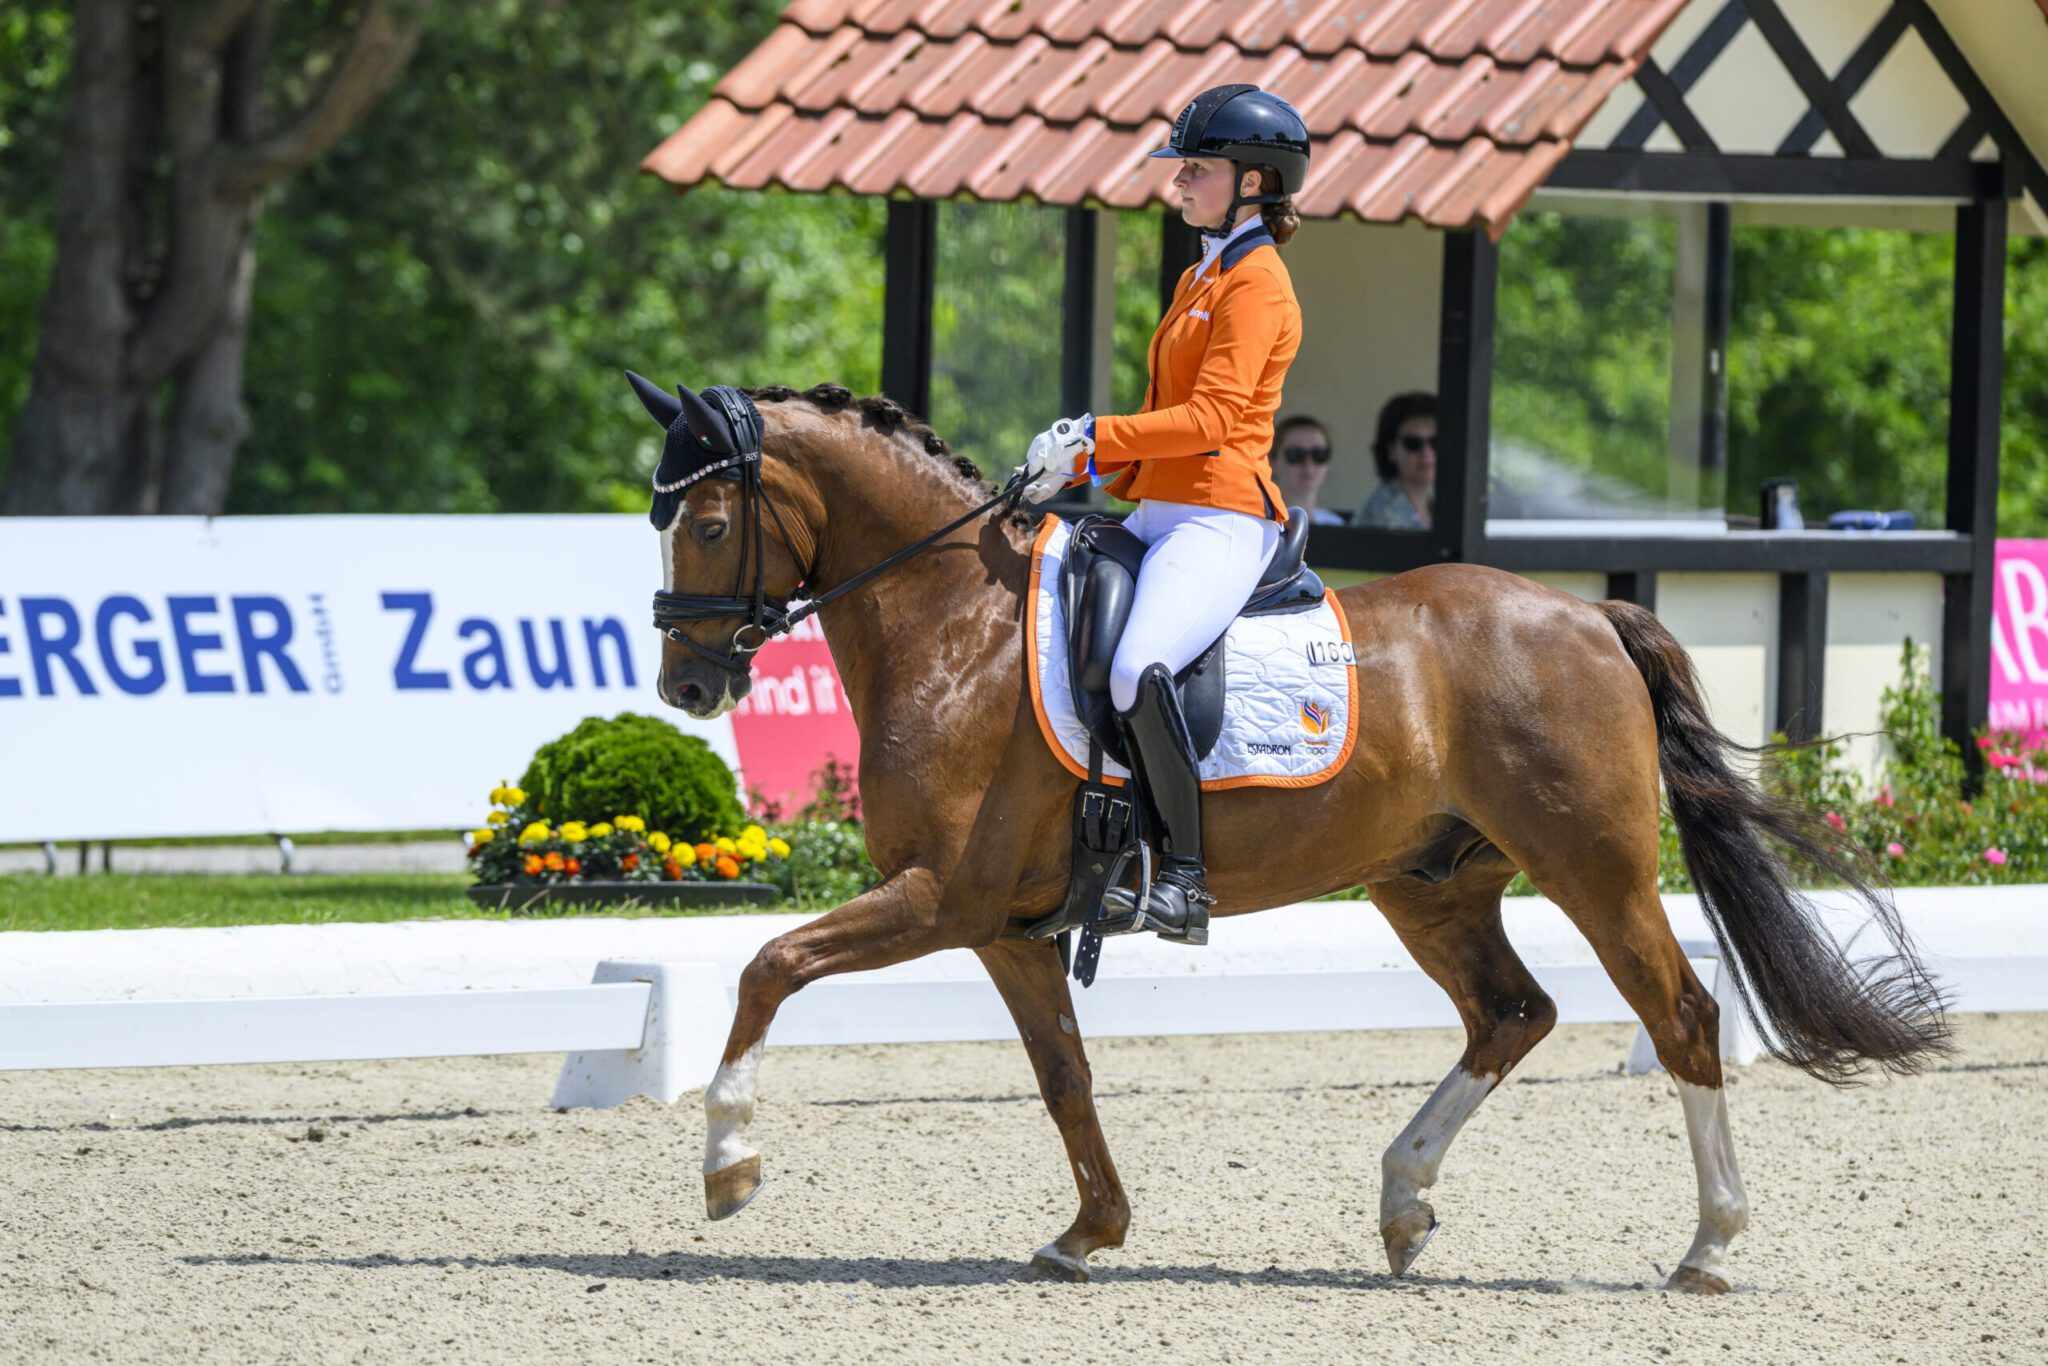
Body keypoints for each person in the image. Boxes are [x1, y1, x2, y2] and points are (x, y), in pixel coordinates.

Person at [1015, 83, 1309, 947]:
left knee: (1140, 663)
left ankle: (1183, 878)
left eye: (1197, 168)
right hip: (1159, 510)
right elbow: (1167, 420)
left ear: (1254, 183)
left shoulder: (1258, 284)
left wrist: (1094, 433)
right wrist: (1086, 464)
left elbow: (1215, 422)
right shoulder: (1201, 273)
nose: (1178, 181)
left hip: (1220, 519)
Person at [1354, 392, 1436, 530]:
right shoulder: (1378, 514)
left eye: (1436, 442)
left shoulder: (1442, 504)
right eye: (1413, 443)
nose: (1427, 453)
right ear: (1391, 451)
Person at [1268, 414, 1346, 525]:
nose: (1308, 464)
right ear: (1272, 462)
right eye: (1295, 455)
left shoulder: (1337, 526)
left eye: (1319, 454)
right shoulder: (1259, 525)